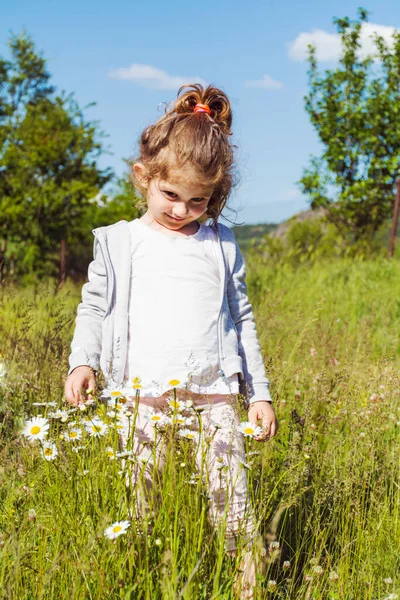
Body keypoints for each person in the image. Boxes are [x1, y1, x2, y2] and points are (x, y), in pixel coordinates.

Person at [64, 83, 278, 598]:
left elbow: (242, 318)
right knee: (136, 507)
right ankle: (128, 586)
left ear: (216, 194)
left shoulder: (221, 246)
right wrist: (81, 362)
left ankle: (248, 591)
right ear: (144, 178)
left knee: (236, 512)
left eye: (198, 200)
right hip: (142, 398)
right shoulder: (121, 241)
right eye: (171, 195)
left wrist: (261, 391)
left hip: (215, 399)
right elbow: (94, 307)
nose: (182, 210)